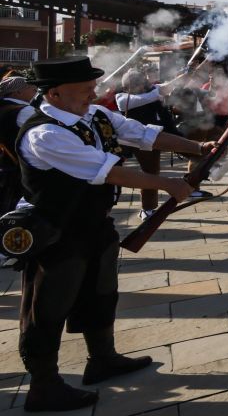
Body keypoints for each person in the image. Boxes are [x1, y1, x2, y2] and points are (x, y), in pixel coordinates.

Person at [15, 56, 207, 411]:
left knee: (101, 293)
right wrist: (168, 184)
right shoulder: (45, 132)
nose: (94, 93)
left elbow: (145, 135)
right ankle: (43, 386)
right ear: (55, 94)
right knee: (48, 308)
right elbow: (107, 172)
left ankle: (102, 359)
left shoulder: (93, 116)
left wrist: (198, 148)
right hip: (58, 231)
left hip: (95, 224)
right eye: (85, 89)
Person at [115, 69, 188, 219]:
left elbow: (163, 88)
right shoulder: (122, 98)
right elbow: (155, 94)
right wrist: (161, 90)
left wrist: (187, 74)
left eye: (141, 84)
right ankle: (147, 209)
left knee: (192, 149)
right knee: (150, 172)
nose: (141, 88)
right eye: (136, 84)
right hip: (138, 141)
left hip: (157, 136)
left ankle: (209, 169)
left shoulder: (151, 91)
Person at [0, 74, 37, 213]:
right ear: (18, 92)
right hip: (14, 171)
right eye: (32, 89)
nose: (35, 91)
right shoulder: (24, 110)